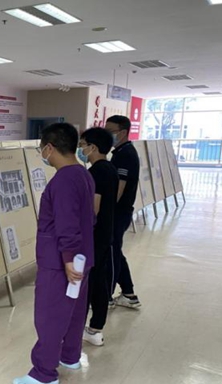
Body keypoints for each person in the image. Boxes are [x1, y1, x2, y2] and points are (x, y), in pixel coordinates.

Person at [13, 123, 95, 384]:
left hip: (60, 262)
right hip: (81, 257)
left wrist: (68, 259)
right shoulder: (82, 174)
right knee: (73, 311)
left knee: (50, 315)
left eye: (41, 149)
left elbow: (67, 223)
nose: (42, 154)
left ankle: (43, 372)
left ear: (49, 147)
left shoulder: (62, 180)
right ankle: (69, 356)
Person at [78, 128, 119, 346]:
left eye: (82, 144)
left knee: (90, 282)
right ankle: (95, 328)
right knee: (99, 281)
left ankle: (85, 328)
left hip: (95, 236)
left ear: (92, 147)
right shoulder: (109, 168)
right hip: (105, 234)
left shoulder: (97, 172)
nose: (80, 149)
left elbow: (93, 208)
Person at [105, 115, 141, 308]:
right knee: (115, 251)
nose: (107, 134)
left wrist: (103, 213)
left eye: (110, 131)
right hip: (119, 212)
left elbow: (118, 189)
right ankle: (128, 293)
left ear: (123, 132)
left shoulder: (125, 154)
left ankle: (107, 296)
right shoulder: (120, 152)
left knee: (111, 253)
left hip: (118, 213)